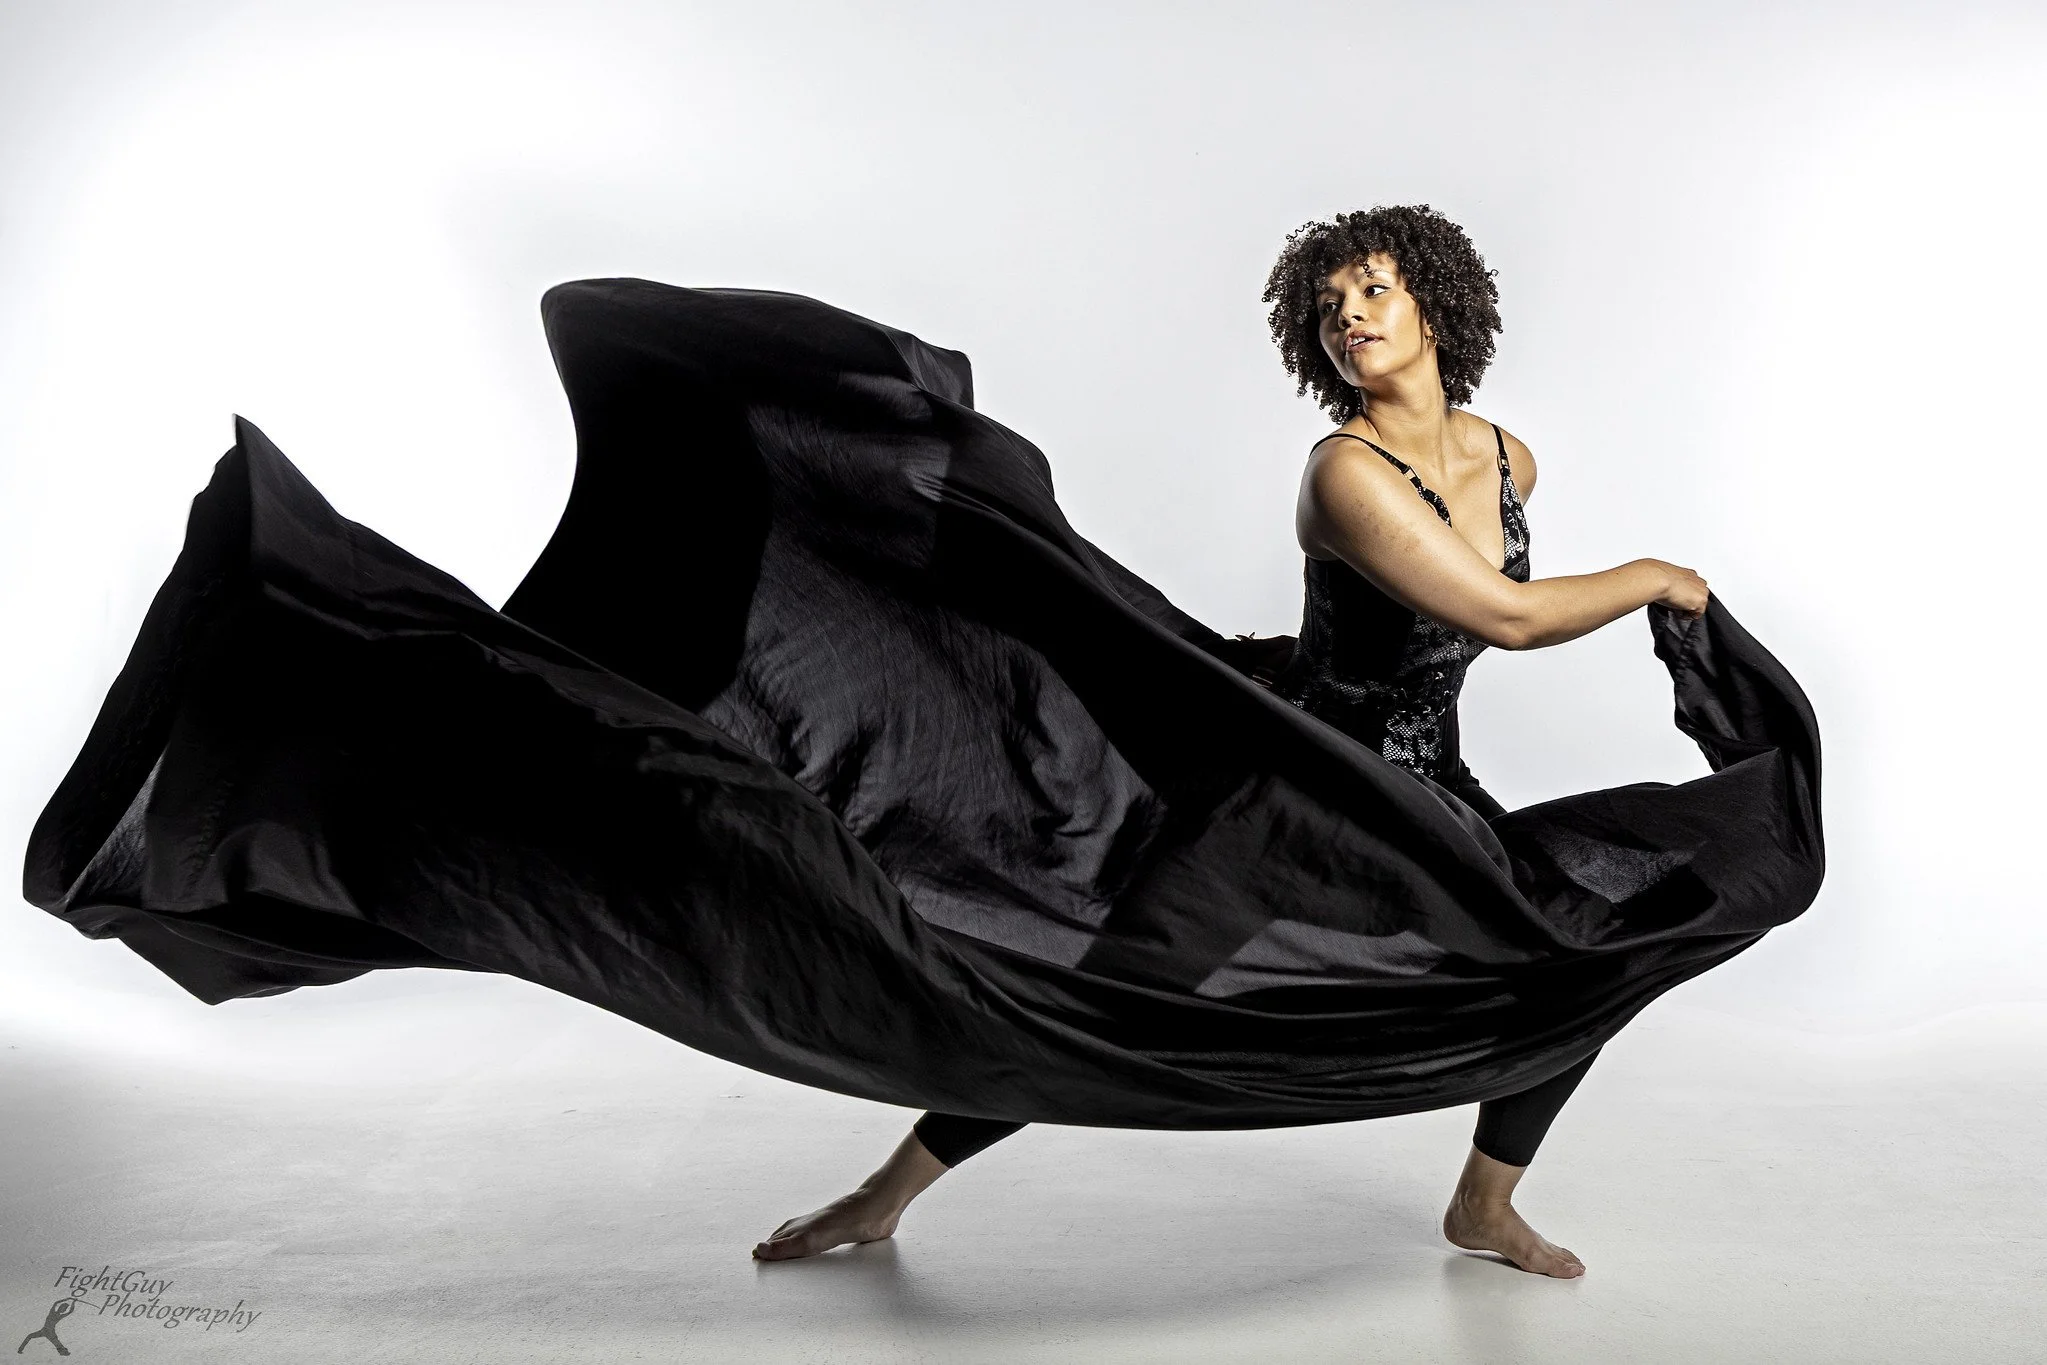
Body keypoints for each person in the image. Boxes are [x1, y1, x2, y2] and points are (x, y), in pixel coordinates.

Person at [752, 205, 1710, 1278]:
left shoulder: (1505, 459)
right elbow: (1506, 616)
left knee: (1579, 960)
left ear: (1435, 306)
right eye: (1328, 308)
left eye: (1372, 293)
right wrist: (1658, 579)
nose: (1349, 318)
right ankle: (884, 1197)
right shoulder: (1344, 473)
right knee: (1114, 1005)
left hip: (1428, 787)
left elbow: (1434, 632)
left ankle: (1483, 1206)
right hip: (1296, 792)